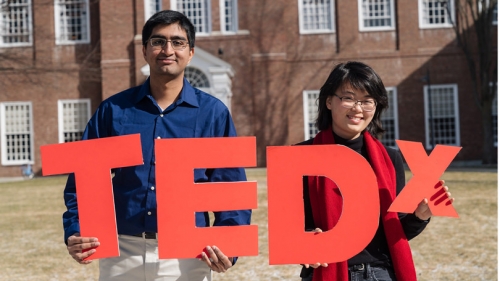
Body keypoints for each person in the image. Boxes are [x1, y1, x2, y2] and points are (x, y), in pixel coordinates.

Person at [62, 10, 251, 281]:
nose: (167, 49)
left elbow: (229, 186)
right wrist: (76, 229)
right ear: (144, 50)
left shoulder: (213, 113)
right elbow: (83, 179)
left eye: (178, 42)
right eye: (158, 41)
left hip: (188, 254)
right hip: (122, 251)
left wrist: (229, 245)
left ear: (191, 52)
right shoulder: (113, 110)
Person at [298, 61, 453, 281]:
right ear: (329, 101)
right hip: (326, 271)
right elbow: (291, 228)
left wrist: (420, 216)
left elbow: (397, 231)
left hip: (381, 273)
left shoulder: (390, 158)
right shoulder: (300, 156)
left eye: (367, 101)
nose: (358, 108)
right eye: (348, 98)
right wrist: (304, 243)